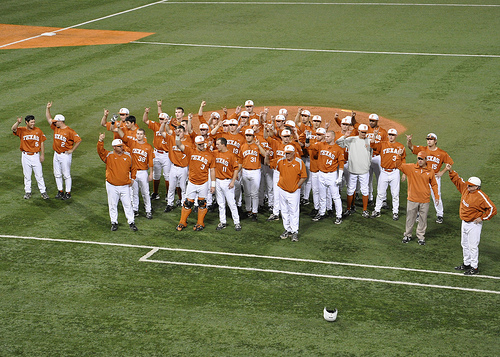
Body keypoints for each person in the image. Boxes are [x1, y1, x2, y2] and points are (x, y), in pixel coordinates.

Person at [445, 164, 496, 275]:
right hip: (464, 222)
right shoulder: (466, 190)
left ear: (477, 187)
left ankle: (475, 268)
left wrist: (482, 218)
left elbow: (492, 209)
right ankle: (466, 263)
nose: (468, 187)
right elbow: (458, 181)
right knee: (464, 244)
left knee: (473, 246)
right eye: (468, 185)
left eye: (471, 186)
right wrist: (450, 171)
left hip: (474, 224)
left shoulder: (481, 196)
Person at [407, 132, 453, 224]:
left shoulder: (442, 153)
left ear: (435, 141)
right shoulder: (422, 150)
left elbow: (449, 163)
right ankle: (419, 214)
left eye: (431, 139)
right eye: (428, 139)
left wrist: (442, 172)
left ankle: (440, 214)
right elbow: (411, 147)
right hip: (423, 176)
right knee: (420, 195)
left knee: (437, 195)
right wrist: (409, 141)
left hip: (435, 177)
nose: (429, 141)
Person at [396, 151, 439, 245]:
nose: (419, 161)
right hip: (412, 199)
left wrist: (436, 196)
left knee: (423, 220)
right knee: (410, 219)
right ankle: (407, 235)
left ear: (425, 160)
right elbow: (398, 165)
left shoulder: (430, 171)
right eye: (418, 158)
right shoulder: (411, 167)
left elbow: (434, 184)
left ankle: (421, 237)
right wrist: (398, 156)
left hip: (425, 200)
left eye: (421, 159)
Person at [97, 134, 138, 232]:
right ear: (114, 147)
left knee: (128, 204)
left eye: (122, 146)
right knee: (112, 204)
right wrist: (100, 141)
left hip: (125, 185)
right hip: (112, 185)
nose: (121, 147)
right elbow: (100, 151)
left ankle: (131, 222)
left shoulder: (128, 156)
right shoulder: (109, 155)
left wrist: (132, 178)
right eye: (119, 146)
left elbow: (134, 168)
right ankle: (114, 222)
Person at [266, 145, 307, 242]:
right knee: (284, 211)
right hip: (282, 190)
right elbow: (268, 163)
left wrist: (297, 186)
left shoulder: (299, 162)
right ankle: (287, 229)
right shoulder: (280, 161)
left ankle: (294, 231)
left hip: (294, 192)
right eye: (286, 153)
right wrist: (267, 156)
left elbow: (304, 176)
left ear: (293, 153)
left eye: (288, 153)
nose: (287, 155)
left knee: (294, 211)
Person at [174, 135, 215, 231]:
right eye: (200, 144)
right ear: (196, 144)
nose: (202, 146)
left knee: (202, 203)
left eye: (203, 144)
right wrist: (177, 136)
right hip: (192, 182)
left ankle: (200, 223)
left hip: (203, 182)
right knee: (188, 203)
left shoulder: (209, 155)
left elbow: (212, 170)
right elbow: (179, 144)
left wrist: (213, 185)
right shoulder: (190, 151)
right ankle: (182, 222)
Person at [45, 102, 82, 200]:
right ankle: (60, 191)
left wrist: (72, 150)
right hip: (56, 154)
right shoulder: (56, 128)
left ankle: (68, 192)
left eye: (56, 121)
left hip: (65, 155)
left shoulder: (70, 131)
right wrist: (48, 108)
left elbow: (78, 140)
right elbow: (49, 119)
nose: (54, 122)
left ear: (60, 121)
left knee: (66, 174)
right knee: (57, 174)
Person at [307, 130, 345, 224]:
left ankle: (339, 216)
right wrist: (307, 137)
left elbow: (341, 164)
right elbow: (308, 146)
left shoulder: (338, 149)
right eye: (326, 136)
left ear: (333, 137)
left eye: (328, 136)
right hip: (321, 174)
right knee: (322, 195)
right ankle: (322, 212)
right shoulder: (320, 145)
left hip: (331, 175)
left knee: (335, 196)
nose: (326, 138)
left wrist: (339, 177)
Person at [116, 127, 154, 219]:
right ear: (136, 135)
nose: (139, 135)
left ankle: (148, 210)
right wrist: (117, 128)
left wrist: (151, 173)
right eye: (138, 134)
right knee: (134, 192)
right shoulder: (132, 143)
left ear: (144, 136)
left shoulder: (148, 147)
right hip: (133, 172)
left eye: (141, 134)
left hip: (143, 172)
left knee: (145, 192)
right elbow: (124, 137)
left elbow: (151, 161)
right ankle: (135, 209)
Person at [336, 124, 372, 218]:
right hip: (353, 170)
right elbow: (338, 142)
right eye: (362, 132)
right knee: (350, 190)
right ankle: (348, 208)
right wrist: (345, 135)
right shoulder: (351, 139)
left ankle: (365, 210)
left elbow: (371, 155)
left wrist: (368, 164)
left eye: (365, 132)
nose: (363, 134)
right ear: (359, 131)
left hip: (364, 170)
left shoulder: (369, 141)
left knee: (365, 190)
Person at [370, 128, 406, 220]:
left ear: (396, 136)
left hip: (395, 172)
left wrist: (404, 173)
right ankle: (377, 210)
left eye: (393, 135)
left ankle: (395, 212)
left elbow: (403, 160)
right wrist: (374, 135)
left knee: (395, 194)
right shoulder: (382, 144)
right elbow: (372, 145)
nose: (391, 136)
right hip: (384, 172)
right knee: (380, 193)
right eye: (389, 134)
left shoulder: (400, 146)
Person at [11, 115, 49, 200]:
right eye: (31, 122)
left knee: (39, 175)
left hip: (36, 155)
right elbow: (13, 129)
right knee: (27, 175)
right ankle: (28, 192)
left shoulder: (38, 130)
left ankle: (43, 192)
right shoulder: (21, 130)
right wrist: (18, 122)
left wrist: (42, 155)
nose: (33, 123)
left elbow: (42, 142)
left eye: (34, 122)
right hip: (25, 156)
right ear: (26, 122)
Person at [159, 121, 192, 212]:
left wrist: (189, 169)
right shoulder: (171, 138)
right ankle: (170, 204)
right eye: (177, 131)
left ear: (184, 132)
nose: (178, 132)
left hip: (184, 168)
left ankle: (183, 204)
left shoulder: (188, 142)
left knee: (183, 188)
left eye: (180, 131)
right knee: (171, 187)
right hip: (173, 167)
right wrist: (164, 124)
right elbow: (161, 131)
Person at [143, 107, 171, 201]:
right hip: (156, 153)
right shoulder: (156, 125)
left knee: (167, 176)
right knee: (156, 175)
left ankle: (168, 194)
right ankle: (155, 193)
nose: (161, 120)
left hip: (167, 155)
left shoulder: (170, 129)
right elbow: (145, 120)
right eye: (160, 119)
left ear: (167, 120)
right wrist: (146, 112)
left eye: (163, 119)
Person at [239, 129, 268, 221]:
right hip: (245, 171)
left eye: (250, 135)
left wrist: (259, 145)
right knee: (247, 193)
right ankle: (248, 211)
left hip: (255, 171)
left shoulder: (257, 146)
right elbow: (240, 160)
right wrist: (238, 172)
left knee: (254, 193)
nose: (248, 137)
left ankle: (254, 212)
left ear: (253, 136)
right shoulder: (243, 146)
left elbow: (264, 154)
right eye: (247, 135)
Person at [214, 137, 242, 231]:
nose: (216, 146)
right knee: (221, 203)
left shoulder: (231, 155)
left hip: (227, 181)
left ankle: (237, 223)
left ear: (223, 144)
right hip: (218, 181)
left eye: (218, 144)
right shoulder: (215, 153)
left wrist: (233, 181)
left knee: (231, 203)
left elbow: (236, 168)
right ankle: (223, 222)